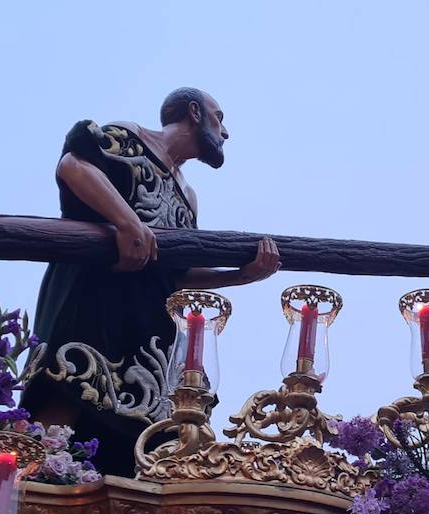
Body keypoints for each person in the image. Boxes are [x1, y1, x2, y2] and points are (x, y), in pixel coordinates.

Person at [23, 87, 281, 476]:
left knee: (137, 437)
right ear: (194, 112)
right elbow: (74, 166)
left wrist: (241, 275)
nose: (225, 132)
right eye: (219, 116)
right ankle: (20, 491)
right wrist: (127, 222)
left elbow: (176, 273)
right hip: (95, 298)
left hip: (149, 330)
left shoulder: (189, 196)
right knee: (70, 393)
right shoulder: (130, 138)